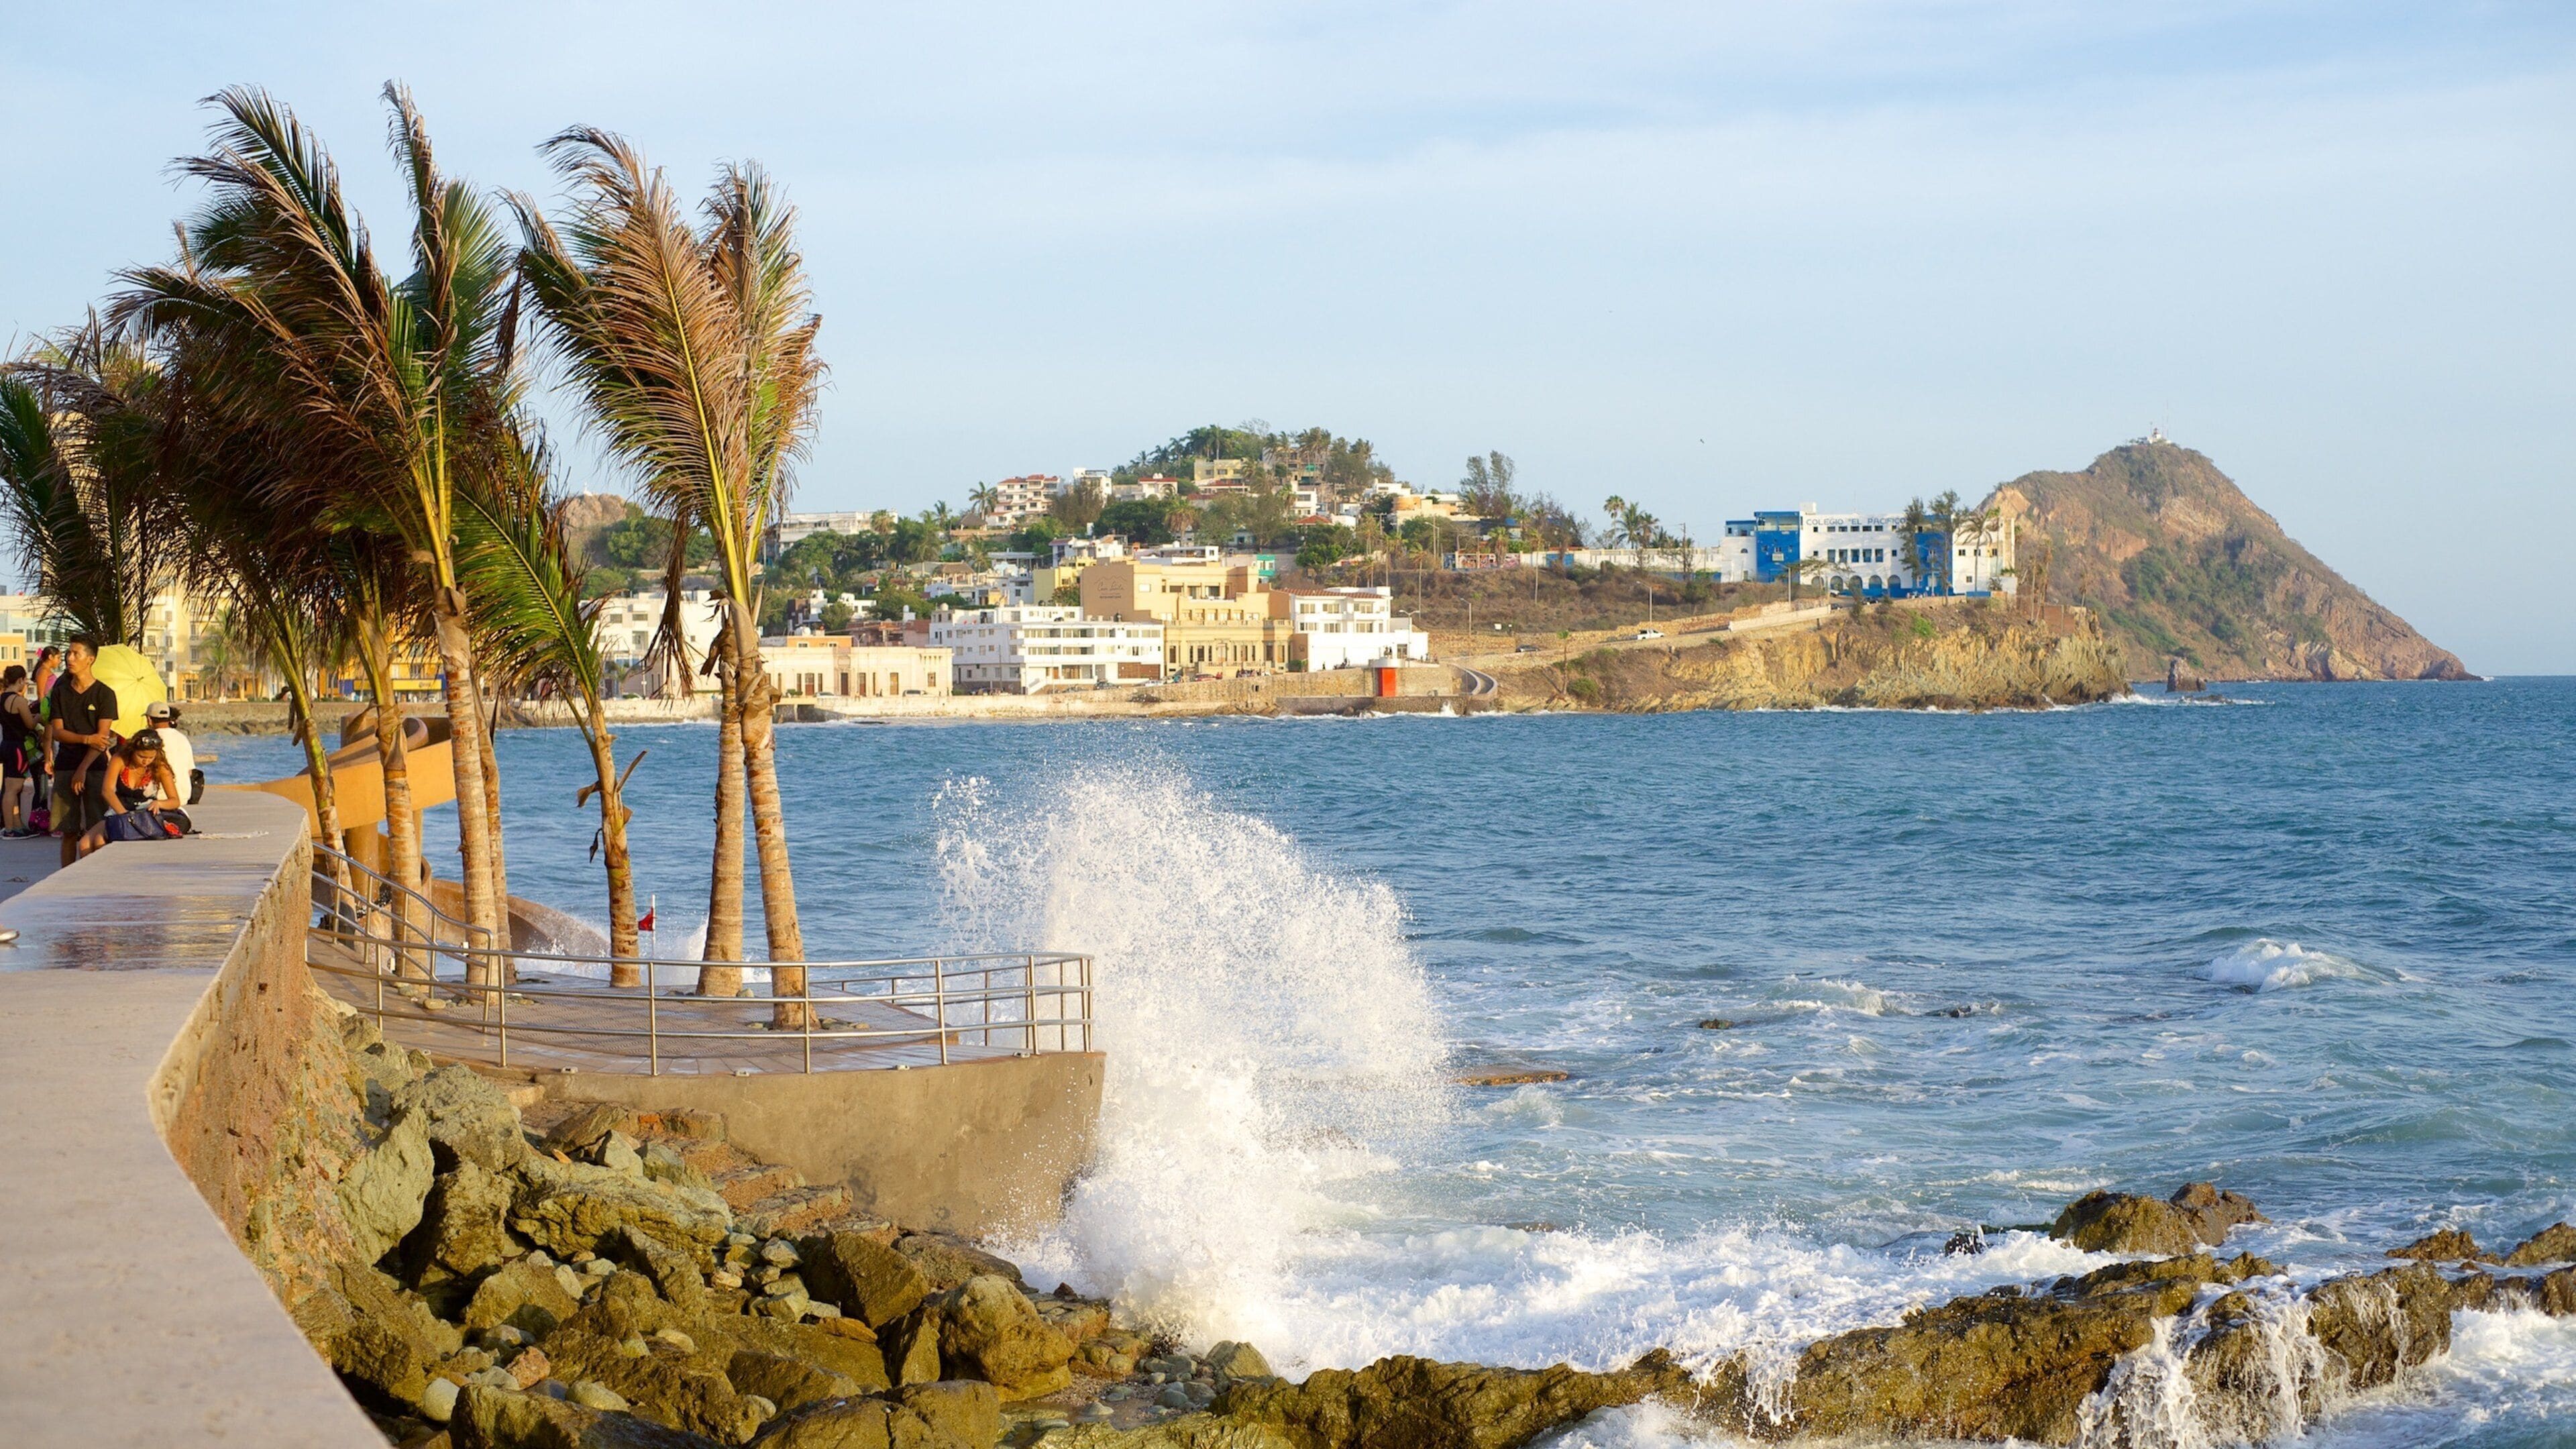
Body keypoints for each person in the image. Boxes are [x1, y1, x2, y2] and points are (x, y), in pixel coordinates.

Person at [46, 637, 117, 867]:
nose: (70, 658)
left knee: (96, 827)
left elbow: (102, 739)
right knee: (67, 829)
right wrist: (86, 739)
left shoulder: (104, 694)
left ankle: (96, 873)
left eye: (76, 654)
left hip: (95, 768)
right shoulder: (60, 692)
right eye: (68, 653)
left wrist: (83, 769)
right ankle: (65, 875)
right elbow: (58, 732)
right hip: (65, 765)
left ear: (90, 659)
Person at [78, 730, 187, 855]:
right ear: (132, 750)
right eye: (141, 757)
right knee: (84, 844)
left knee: (99, 841)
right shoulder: (119, 760)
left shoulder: (160, 767)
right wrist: (125, 817)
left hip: (144, 816)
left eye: (151, 758)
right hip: (119, 811)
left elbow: (175, 801)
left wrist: (159, 803)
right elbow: (107, 791)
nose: (146, 761)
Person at [0, 665, 35, 835]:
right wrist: (39, 717)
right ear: (20, 680)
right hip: (17, 747)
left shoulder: (2, 698)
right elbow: (30, 724)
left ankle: (16, 825)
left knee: (11, 787)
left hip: (6, 744)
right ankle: (10, 829)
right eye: (25, 680)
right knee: (13, 789)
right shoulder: (18, 700)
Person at [144, 700, 198, 804]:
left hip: (159, 797)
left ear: (149, 720)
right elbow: (190, 772)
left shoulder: (150, 739)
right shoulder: (182, 738)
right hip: (183, 796)